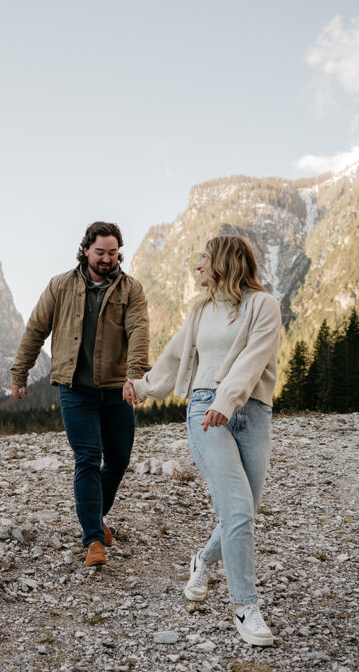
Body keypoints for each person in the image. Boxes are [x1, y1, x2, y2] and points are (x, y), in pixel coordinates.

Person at [125, 235, 281, 646]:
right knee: (238, 510)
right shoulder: (201, 311)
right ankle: (245, 607)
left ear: (225, 263)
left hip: (253, 411)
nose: (197, 267)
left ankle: (203, 559)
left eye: (204, 260)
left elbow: (254, 357)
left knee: (245, 510)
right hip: (205, 411)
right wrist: (143, 387)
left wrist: (230, 400)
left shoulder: (263, 306)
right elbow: (175, 356)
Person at [10, 222, 150, 566]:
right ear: (85, 250)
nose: (106, 259)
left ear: (119, 253)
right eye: (100, 252)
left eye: (112, 252)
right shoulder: (60, 286)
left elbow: (139, 332)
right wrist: (20, 372)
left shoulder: (131, 289)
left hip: (117, 389)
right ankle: (93, 540)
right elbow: (36, 330)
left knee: (118, 459)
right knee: (88, 457)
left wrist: (135, 378)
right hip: (75, 390)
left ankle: (94, 516)